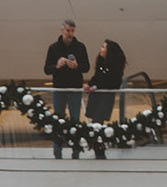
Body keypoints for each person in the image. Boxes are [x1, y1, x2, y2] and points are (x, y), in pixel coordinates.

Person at [44, 20, 90, 159]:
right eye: (68, 30)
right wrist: (57, 66)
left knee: (75, 119)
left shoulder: (80, 47)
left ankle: (76, 150)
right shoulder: (53, 48)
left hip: (75, 89)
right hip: (59, 89)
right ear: (62, 31)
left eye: (72, 31)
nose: (70, 33)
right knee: (59, 119)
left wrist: (76, 66)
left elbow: (86, 67)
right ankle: (57, 151)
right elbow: (47, 69)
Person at [84, 39, 126, 159]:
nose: (101, 49)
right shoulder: (101, 62)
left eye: (103, 47)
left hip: (105, 97)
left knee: (97, 122)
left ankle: (99, 149)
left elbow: (113, 82)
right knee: (96, 122)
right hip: (97, 97)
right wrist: (90, 85)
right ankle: (98, 149)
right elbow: (97, 77)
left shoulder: (115, 67)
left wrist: (96, 87)